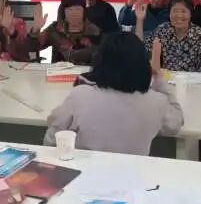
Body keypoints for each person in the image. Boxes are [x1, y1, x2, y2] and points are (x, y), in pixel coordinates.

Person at [43, 32, 183, 156]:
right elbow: (175, 124)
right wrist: (160, 80)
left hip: (86, 173)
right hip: (133, 174)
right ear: (144, 66)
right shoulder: (156, 102)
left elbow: (54, 128)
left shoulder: (81, 95)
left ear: (100, 62)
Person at [136, 0, 201, 73]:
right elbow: (140, 48)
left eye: (183, 11)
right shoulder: (163, 30)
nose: (179, 15)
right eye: (175, 11)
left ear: (191, 14)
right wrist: (140, 19)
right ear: (169, 13)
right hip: (168, 78)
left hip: (192, 79)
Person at [27, 0, 101, 65]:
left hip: (87, 71)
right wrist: (35, 31)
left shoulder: (94, 30)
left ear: (84, 11)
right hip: (59, 71)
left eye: (78, 9)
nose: (74, 13)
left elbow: (100, 54)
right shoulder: (55, 29)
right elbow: (32, 48)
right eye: (70, 10)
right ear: (63, 12)